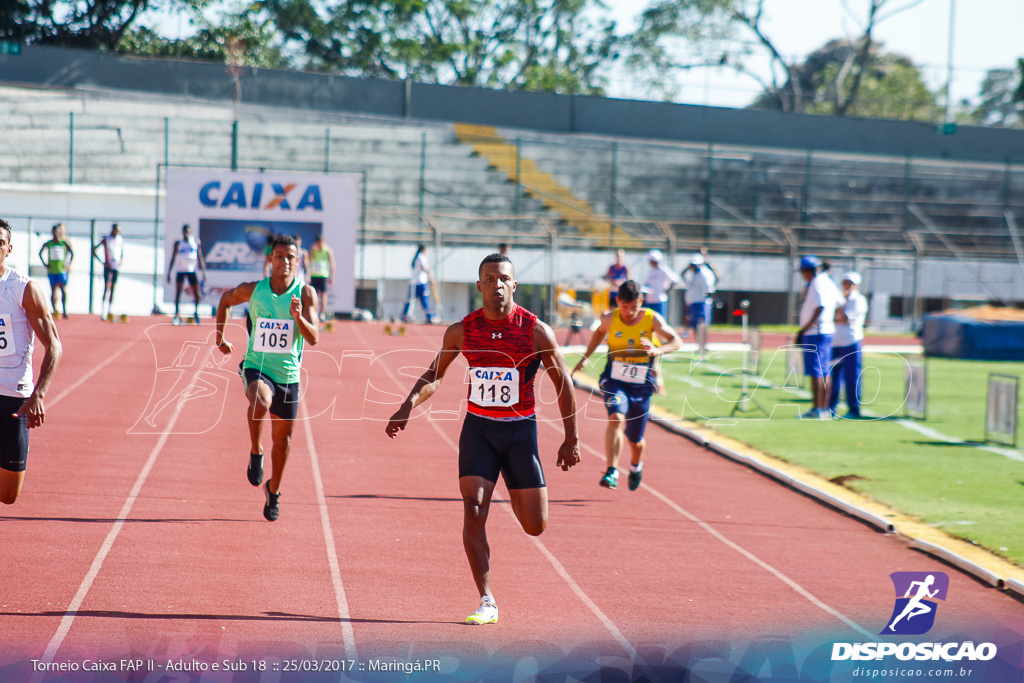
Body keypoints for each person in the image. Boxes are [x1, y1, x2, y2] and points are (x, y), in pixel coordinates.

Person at [385, 253, 580, 625]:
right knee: (473, 510)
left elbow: (563, 383)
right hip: (479, 430)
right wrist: (407, 405)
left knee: (534, 525)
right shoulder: (462, 330)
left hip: (520, 432)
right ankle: (486, 599)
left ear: (514, 284)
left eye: (503, 278)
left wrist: (571, 438)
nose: (497, 285)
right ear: (479, 286)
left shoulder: (535, 330)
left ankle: (516, 485)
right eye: (489, 279)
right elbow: (435, 373)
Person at [214, 234, 319, 521]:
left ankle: (274, 491)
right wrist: (220, 338)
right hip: (257, 366)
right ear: (270, 259)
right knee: (261, 399)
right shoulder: (255, 290)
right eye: (279, 255)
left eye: (290, 257)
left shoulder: (306, 293)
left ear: (297, 262)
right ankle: (256, 451)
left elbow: (314, 338)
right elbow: (224, 300)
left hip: (288, 374)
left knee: (283, 441)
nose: (284, 261)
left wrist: (298, 318)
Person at [572, 280, 682, 491]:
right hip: (614, 379)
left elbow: (676, 341)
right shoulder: (609, 318)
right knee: (616, 416)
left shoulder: (652, 319)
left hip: (641, 385)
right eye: (625, 307)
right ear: (618, 302)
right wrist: (586, 357)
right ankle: (611, 470)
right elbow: (598, 334)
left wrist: (658, 350)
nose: (630, 312)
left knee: (635, 440)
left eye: (635, 307)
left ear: (641, 302)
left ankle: (635, 465)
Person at [0, 218, 63, 505]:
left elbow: (54, 346)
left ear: (8, 248)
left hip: (14, 398)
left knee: (9, 495)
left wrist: (38, 394)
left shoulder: (22, 289)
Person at [795, 255, 838, 419]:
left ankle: (818, 408)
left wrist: (804, 328)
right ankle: (824, 408)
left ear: (806, 271)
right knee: (824, 370)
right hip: (824, 329)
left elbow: (820, 306)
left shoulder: (817, 282)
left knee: (817, 371)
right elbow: (838, 303)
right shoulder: (826, 281)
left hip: (817, 331)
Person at [829, 271, 869, 419]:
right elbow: (832, 316)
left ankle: (854, 409)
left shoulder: (858, 300)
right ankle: (831, 407)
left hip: (851, 341)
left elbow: (845, 318)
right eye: (845, 282)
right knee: (833, 375)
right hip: (836, 341)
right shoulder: (839, 298)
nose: (847, 286)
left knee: (852, 376)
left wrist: (842, 304)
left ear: (856, 285)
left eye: (850, 283)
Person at [166, 224, 208, 325]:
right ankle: (177, 316)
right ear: (182, 232)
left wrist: (203, 271)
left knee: (197, 293)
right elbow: (173, 258)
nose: (186, 233)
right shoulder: (178, 243)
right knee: (178, 293)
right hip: (181, 270)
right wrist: (169, 272)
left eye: (188, 231)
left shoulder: (195, 242)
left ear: (190, 232)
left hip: (191, 270)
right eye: (185, 231)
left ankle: (196, 314)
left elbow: (200, 256)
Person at [682, 250, 717, 360]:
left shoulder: (704, 274)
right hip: (694, 303)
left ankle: (702, 348)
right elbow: (682, 275)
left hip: (701, 303)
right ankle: (699, 347)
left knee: (701, 326)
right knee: (695, 327)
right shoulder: (694, 273)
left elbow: (709, 290)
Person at [39, 223, 73, 319]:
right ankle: (55, 310)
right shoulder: (49, 243)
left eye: (58, 231)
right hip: (52, 270)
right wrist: (45, 263)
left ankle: (64, 310)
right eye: (55, 231)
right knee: (53, 290)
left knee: (63, 289)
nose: (56, 233)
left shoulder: (64, 243)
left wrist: (68, 264)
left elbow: (72, 253)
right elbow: (40, 252)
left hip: (62, 270)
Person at [93, 223, 123, 320]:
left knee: (113, 288)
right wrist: (102, 262)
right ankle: (103, 312)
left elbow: (121, 252)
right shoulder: (106, 239)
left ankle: (110, 310)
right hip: (108, 266)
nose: (117, 232)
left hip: (116, 267)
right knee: (106, 287)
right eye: (116, 230)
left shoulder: (120, 239)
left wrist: (120, 262)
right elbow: (94, 250)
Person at [401, 244, 436, 324]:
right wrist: (430, 273)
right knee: (424, 300)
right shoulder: (421, 256)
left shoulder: (416, 257)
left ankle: (405, 315)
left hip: (414, 282)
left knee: (411, 299)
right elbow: (424, 267)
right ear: (423, 249)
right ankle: (429, 317)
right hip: (421, 282)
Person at [642, 249, 679, 319]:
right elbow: (647, 283)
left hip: (659, 300)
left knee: (659, 319)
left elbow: (675, 280)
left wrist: (667, 290)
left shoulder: (664, 269)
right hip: (650, 300)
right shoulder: (651, 271)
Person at [309, 233, 335, 321]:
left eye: (321, 243)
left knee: (323, 295)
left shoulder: (327, 250)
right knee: (314, 296)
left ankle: (323, 314)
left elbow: (332, 263)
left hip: (323, 275)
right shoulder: (313, 250)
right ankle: (314, 313)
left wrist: (332, 276)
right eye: (318, 243)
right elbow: (309, 261)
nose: (320, 245)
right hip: (314, 275)